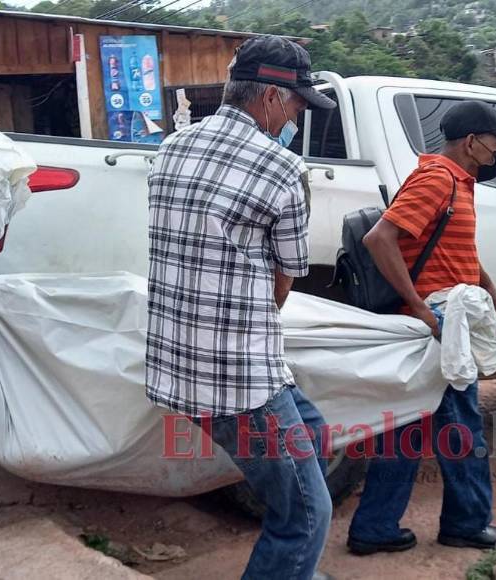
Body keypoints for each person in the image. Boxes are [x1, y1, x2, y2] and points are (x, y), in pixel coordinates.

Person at [146, 35, 337, 580]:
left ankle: (292, 569)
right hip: (238, 378)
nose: (297, 114)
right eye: (299, 102)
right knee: (306, 513)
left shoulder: (173, 146)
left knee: (315, 433)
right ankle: (289, 562)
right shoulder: (280, 167)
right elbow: (284, 281)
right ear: (273, 98)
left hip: (177, 364)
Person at [346, 100, 496, 555]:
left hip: (441, 316)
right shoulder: (438, 177)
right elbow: (379, 238)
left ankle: (375, 528)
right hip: (436, 322)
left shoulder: (459, 182)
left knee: (407, 426)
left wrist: (484, 280)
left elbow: (443, 241)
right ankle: (466, 523)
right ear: (471, 142)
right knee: (461, 427)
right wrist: (419, 308)